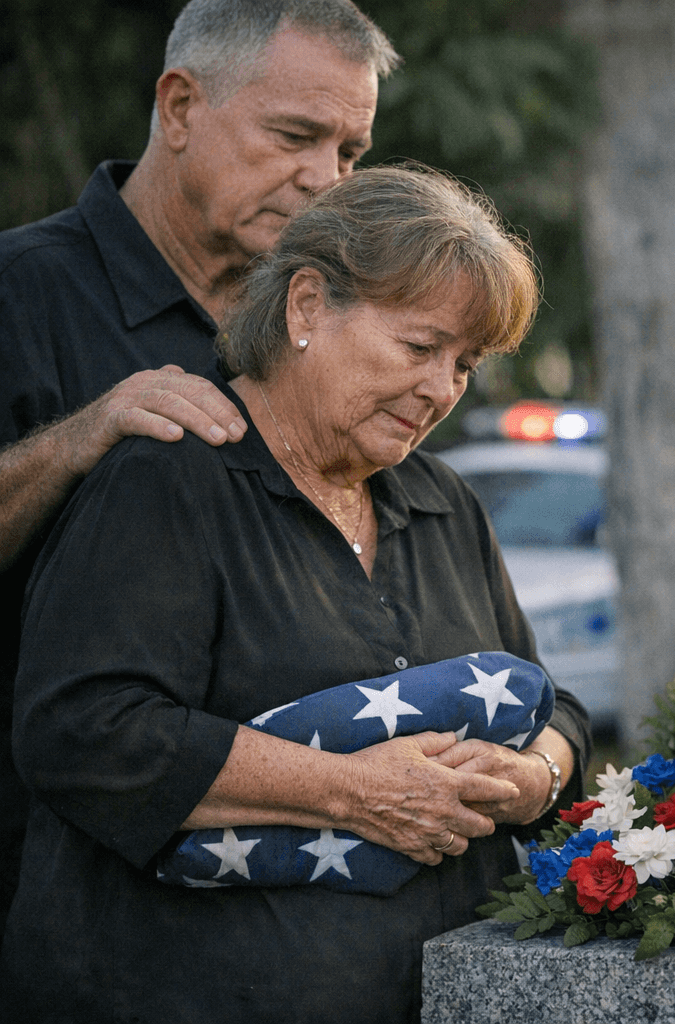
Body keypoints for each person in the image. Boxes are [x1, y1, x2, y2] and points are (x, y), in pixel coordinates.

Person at [0, 166, 591, 1022]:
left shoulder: (444, 499)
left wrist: (535, 777)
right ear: (307, 306)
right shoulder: (168, 479)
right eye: (420, 347)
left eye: (465, 364)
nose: (442, 389)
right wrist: (354, 791)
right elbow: (81, 730)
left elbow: (550, 702)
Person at [0, 0, 398, 931]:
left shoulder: (329, 322)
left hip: (285, 911)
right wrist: (71, 442)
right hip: (45, 884)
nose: (324, 182)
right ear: (179, 107)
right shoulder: (18, 292)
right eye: (295, 135)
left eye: (350, 154)